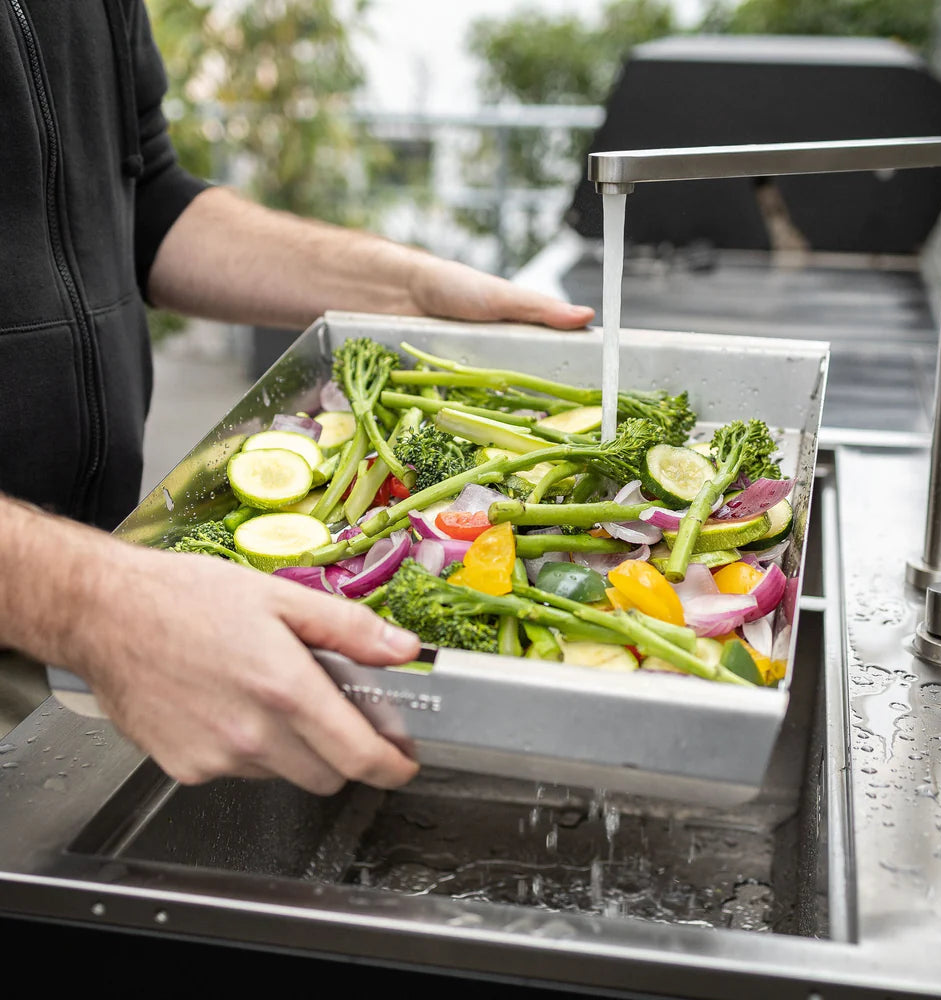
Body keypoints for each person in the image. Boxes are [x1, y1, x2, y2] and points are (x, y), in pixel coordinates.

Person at [0, 1, 594, 797]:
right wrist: (89, 601)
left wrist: (406, 286)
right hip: (66, 600)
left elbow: (145, 202)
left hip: (88, 603)